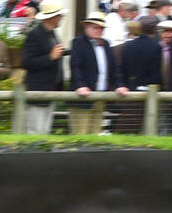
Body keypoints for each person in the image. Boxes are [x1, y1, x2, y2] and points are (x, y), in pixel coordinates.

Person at [68, 12, 126, 133]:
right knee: (81, 134)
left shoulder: (105, 44)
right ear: (86, 27)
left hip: (100, 97)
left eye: (101, 28)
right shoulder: (78, 42)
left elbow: (114, 68)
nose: (99, 30)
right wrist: (80, 86)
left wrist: (119, 85)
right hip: (83, 98)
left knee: (95, 134)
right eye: (95, 27)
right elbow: (75, 66)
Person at [21, 0, 65, 135]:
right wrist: (50, 57)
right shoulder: (35, 34)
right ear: (51, 18)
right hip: (38, 92)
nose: (61, 18)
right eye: (59, 16)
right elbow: (27, 62)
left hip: (51, 91)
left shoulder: (52, 33)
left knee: (45, 131)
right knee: (35, 132)